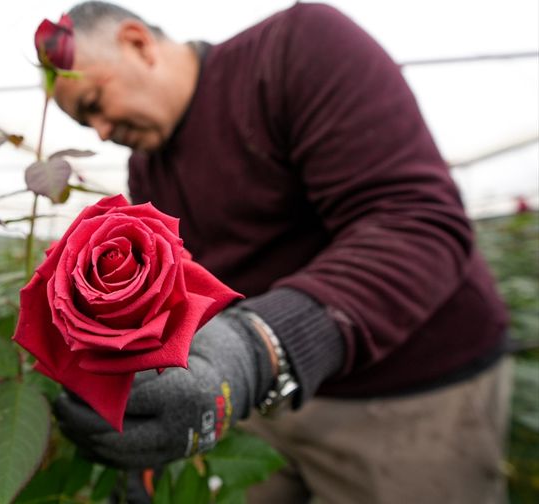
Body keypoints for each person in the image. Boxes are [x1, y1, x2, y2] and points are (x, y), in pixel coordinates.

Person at [46, 2, 512, 502]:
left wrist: (256, 348)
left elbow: (417, 226)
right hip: (261, 400)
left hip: (408, 396)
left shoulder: (293, 51)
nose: (101, 133)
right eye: (82, 125)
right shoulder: (148, 170)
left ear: (137, 43)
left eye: (94, 102)